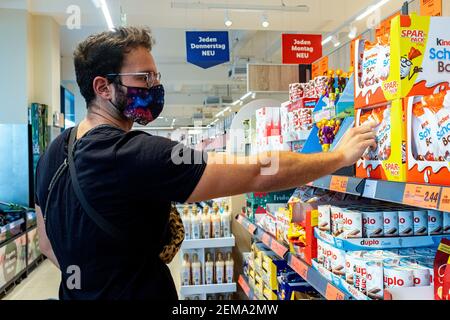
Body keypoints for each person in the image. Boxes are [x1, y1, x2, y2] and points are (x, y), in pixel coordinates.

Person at [35, 27, 376, 300]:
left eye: (156, 77)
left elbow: (47, 243)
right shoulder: (136, 154)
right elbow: (259, 171)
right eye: (143, 79)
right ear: (103, 87)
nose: (155, 87)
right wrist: (338, 157)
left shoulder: (56, 150)